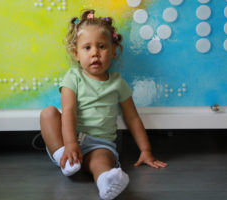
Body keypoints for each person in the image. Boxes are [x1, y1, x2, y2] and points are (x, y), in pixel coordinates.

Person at [40, 9, 168, 200]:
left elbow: (132, 118)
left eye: (101, 46)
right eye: (87, 48)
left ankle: (105, 182)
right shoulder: (73, 77)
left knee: (101, 162)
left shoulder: (117, 83)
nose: (95, 54)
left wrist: (146, 151)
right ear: (76, 53)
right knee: (48, 114)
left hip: (100, 144)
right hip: (69, 137)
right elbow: (68, 111)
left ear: (113, 50)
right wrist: (70, 144)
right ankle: (65, 161)